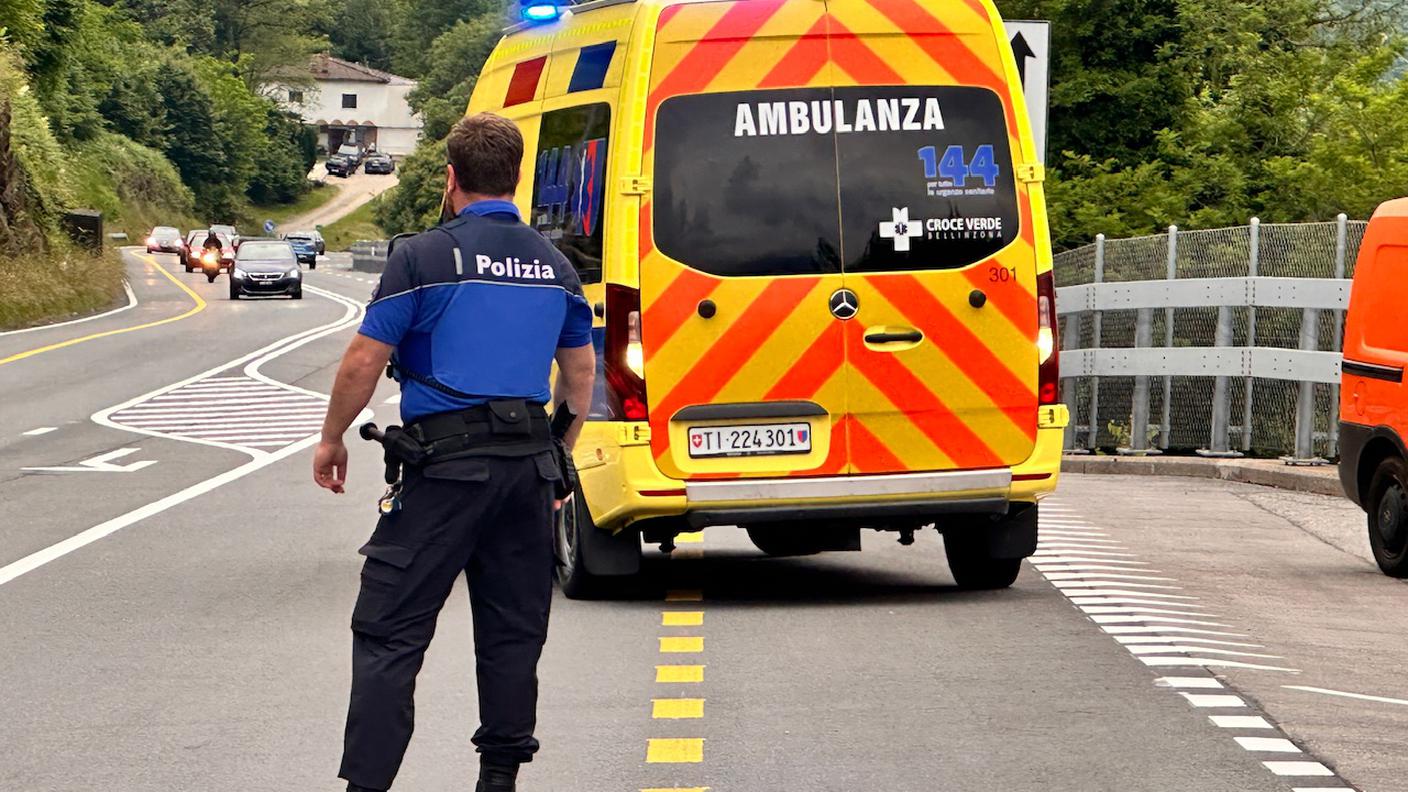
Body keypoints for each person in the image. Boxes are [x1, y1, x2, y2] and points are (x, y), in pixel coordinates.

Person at [313, 112, 597, 792]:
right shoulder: (556, 266)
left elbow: (364, 359)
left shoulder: (423, 256)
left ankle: (367, 787)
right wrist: (556, 456)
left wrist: (331, 438)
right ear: (518, 177)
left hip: (444, 473)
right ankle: (498, 780)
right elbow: (581, 377)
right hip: (525, 474)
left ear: (450, 179)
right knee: (511, 631)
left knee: (388, 630)